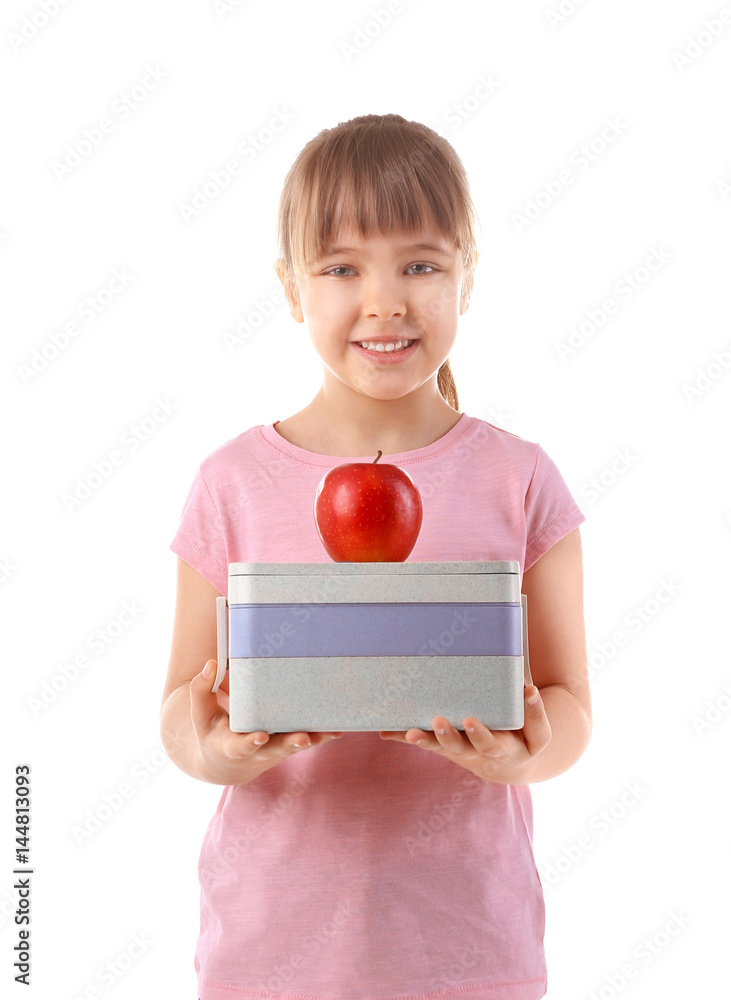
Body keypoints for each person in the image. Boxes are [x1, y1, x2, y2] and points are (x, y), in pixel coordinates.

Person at [161, 113, 592, 1000]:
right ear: (290, 289)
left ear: (467, 278)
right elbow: (179, 705)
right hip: (268, 950)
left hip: (469, 949)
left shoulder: (521, 479)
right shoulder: (231, 481)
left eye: (421, 265)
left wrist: (524, 756)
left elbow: (569, 706)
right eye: (342, 268)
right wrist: (215, 752)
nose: (385, 300)